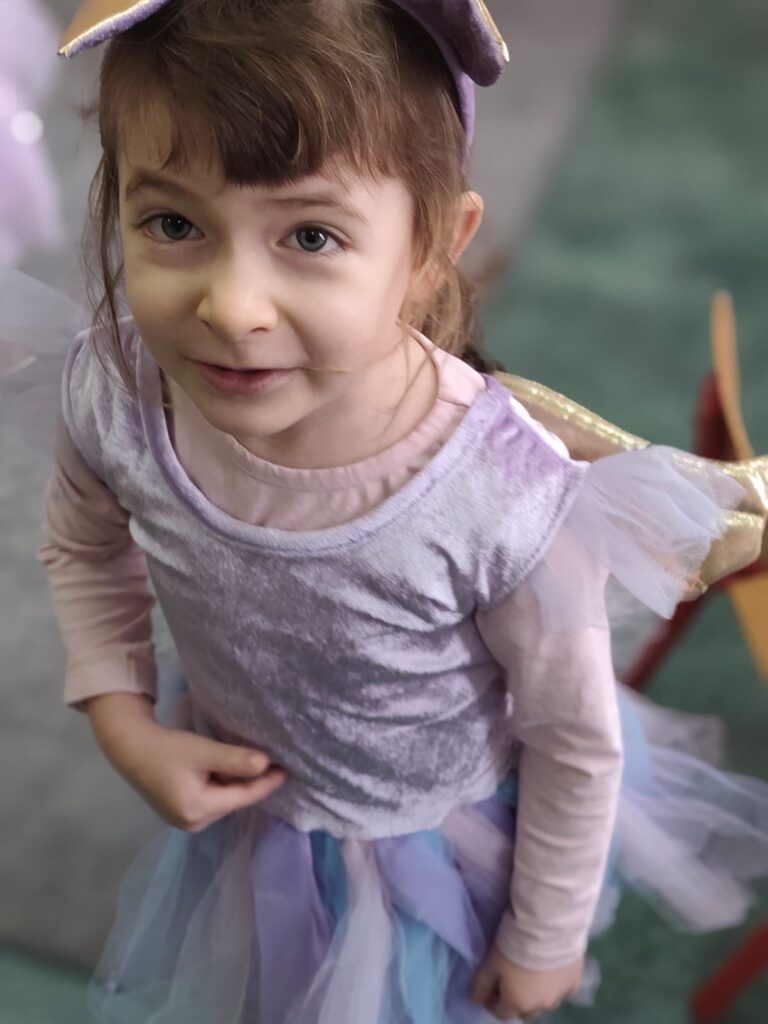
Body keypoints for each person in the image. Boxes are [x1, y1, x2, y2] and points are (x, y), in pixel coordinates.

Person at [8, 1, 767, 1021]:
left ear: (431, 248)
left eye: (311, 235)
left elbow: (574, 742)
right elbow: (84, 546)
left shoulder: (497, 497)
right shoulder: (118, 390)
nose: (231, 307)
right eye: (174, 224)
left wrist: (542, 937)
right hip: (249, 795)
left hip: (424, 857)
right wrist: (123, 720)